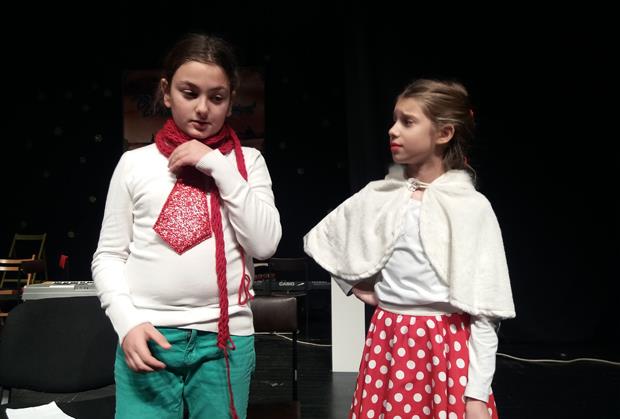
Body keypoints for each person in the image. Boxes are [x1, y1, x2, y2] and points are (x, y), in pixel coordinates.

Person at [92, 33, 281, 419]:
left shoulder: (247, 162)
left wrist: (216, 165)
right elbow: (109, 255)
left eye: (217, 97)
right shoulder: (135, 164)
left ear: (231, 100)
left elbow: (264, 244)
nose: (202, 108)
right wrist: (127, 322)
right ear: (166, 92)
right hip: (148, 333)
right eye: (189, 93)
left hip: (224, 340)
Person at [304, 79, 515, 419]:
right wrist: (359, 286)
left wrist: (476, 394)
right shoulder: (384, 195)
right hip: (389, 342)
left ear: (443, 133)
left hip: (446, 350)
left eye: (408, 121)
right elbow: (327, 240)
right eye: (394, 120)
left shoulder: (470, 207)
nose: (393, 130)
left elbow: (486, 309)